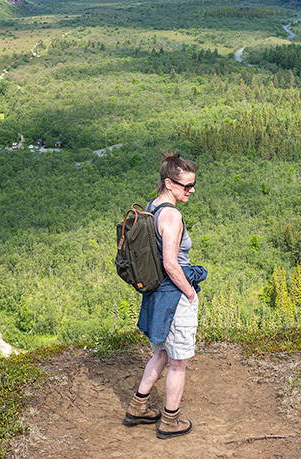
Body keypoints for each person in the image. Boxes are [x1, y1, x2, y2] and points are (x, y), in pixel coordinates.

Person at [123, 151, 207, 439]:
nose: (192, 190)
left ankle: (138, 406)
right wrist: (190, 293)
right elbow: (171, 263)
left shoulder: (153, 206)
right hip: (174, 294)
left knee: (162, 351)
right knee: (178, 362)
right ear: (169, 183)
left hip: (157, 293)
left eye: (193, 184)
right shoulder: (172, 216)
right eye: (187, 185)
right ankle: (170, 421)